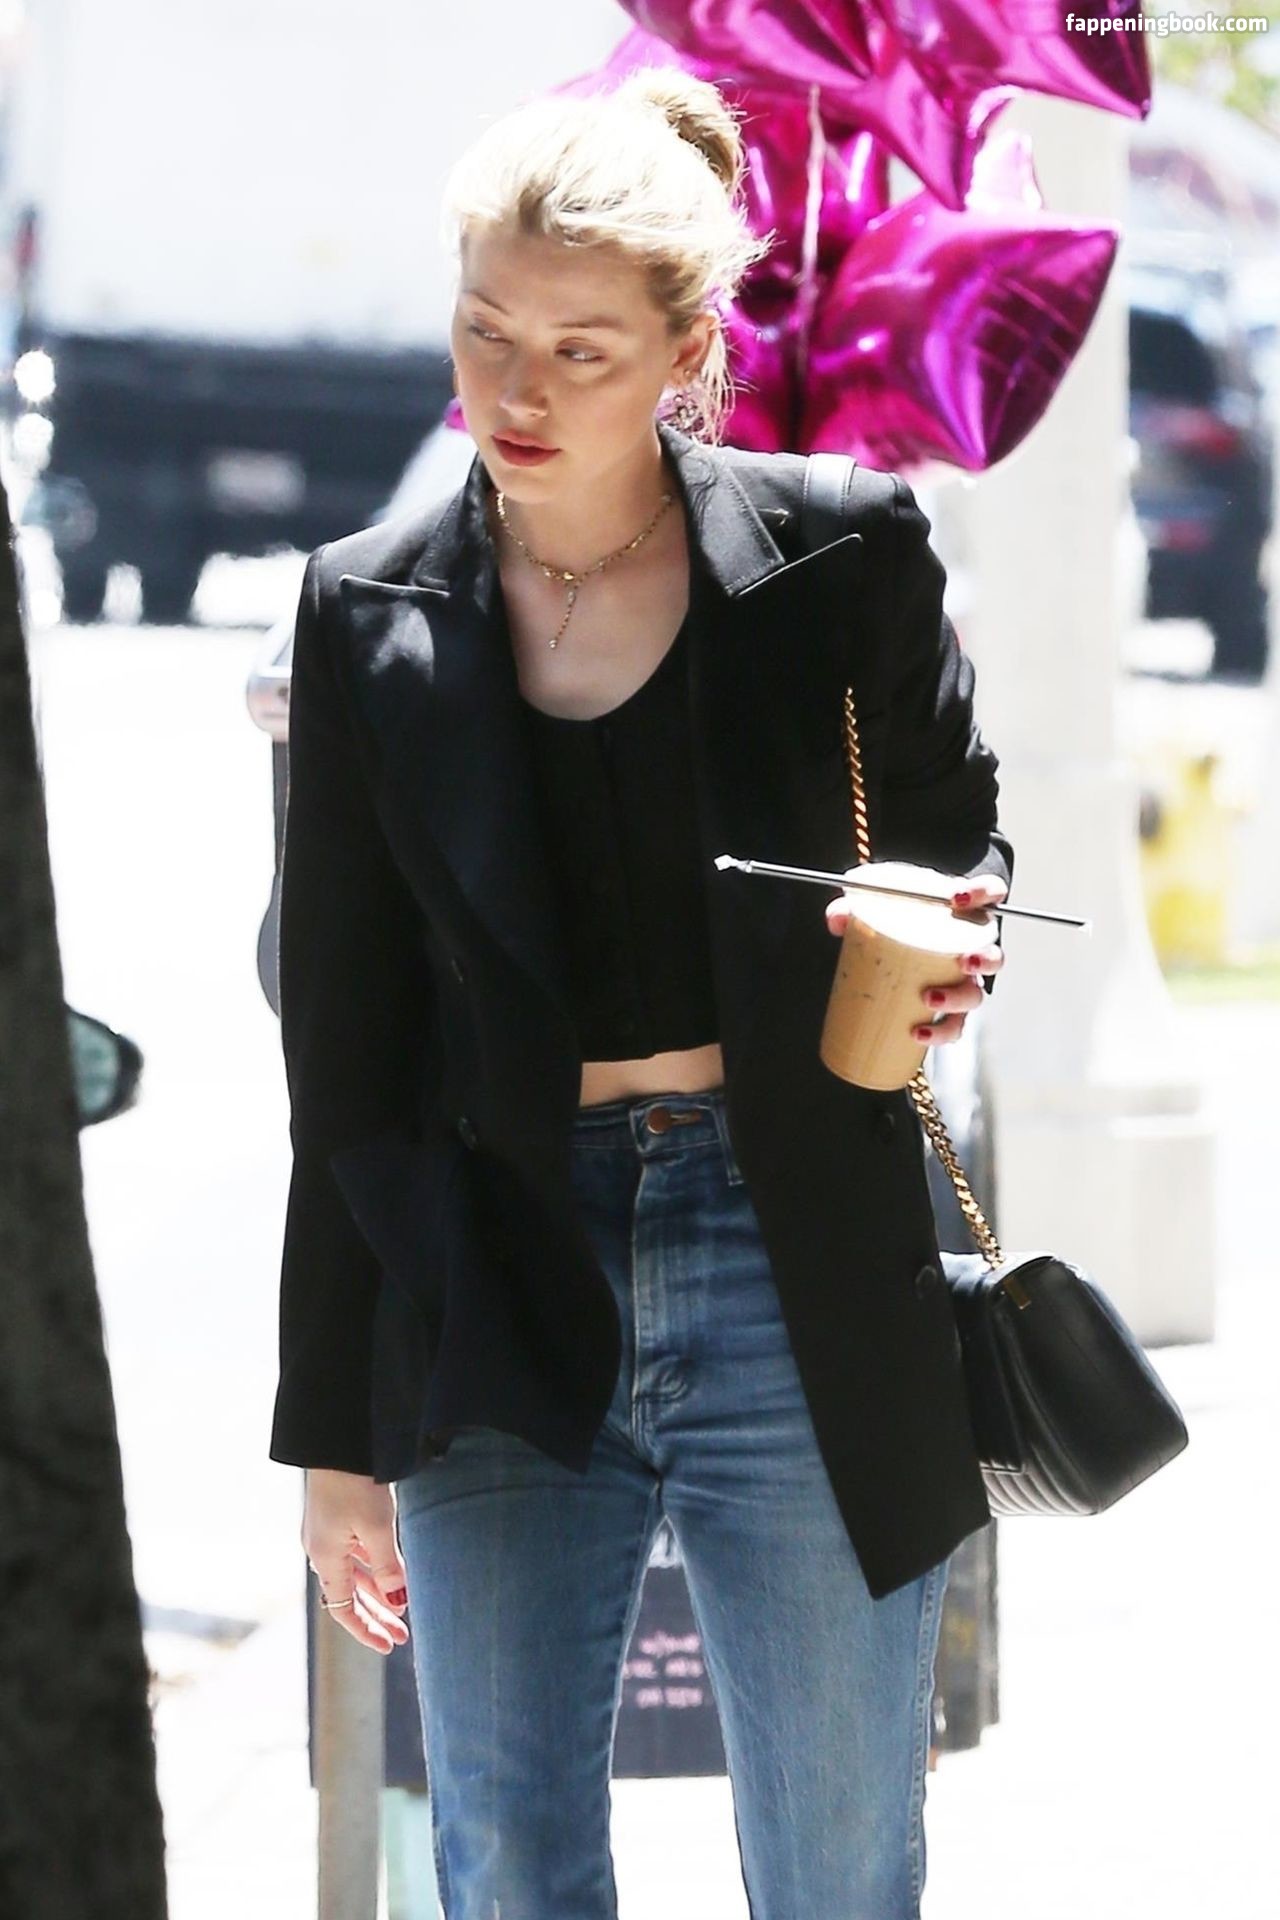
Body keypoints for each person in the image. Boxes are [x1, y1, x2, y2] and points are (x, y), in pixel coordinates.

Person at [270, 68, 1013, 1920]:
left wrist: (947, 930)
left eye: (579, 352)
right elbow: (346, 1051)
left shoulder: (842, 554)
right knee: (508, 1858)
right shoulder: (366, 610)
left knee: (837, 1865)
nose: (515, 392)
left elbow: (957, 834)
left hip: (794, 1244)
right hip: (493, 1263)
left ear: (687, 353)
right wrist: (333, 1438)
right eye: (485, 332)